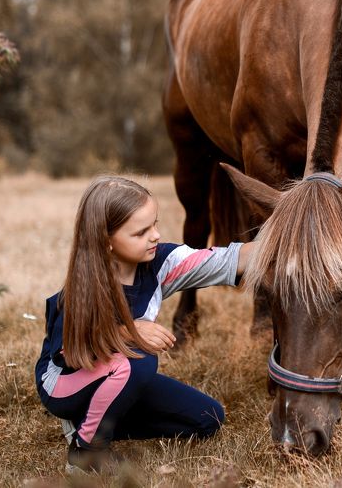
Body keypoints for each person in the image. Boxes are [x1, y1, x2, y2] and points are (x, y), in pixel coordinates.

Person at [34, 175, 256, 473]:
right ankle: (86, 451)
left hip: (118, 375)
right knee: (140, 359)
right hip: (65, 384)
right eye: (140, 232)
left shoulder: (160, 261)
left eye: (154, 224)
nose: (155, 236)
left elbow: (231, 259)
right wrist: (129, 331)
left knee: (208, 417)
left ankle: (92, 420)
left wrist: (292, 229)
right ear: (106, 240)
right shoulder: (82, 285)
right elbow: (70, 353)